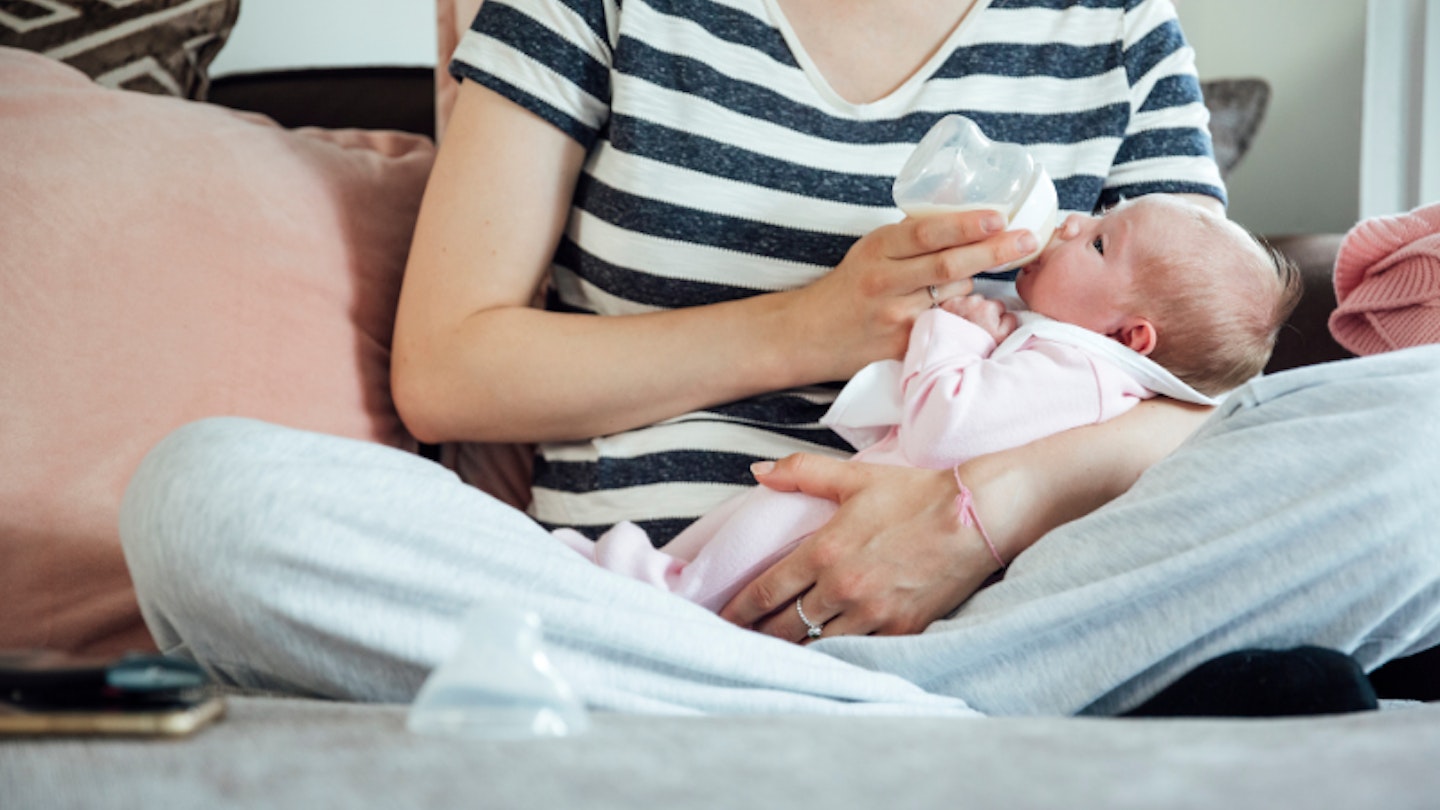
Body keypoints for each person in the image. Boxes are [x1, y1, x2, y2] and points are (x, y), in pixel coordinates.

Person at [117, 0, 1440, 715]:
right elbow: (448, 373)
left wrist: (986, 513)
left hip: (1009, 598)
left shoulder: (1118, 30)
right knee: (203, 495)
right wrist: (812, 323)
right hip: (629, 584)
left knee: (1423, 437)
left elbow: (1206, 415)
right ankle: (871, 710)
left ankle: (851, 697)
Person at [553, 196, 1305, 613]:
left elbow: (951, 427)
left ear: (1131, 335)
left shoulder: (1082, 370)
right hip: (875, 494)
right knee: (737, 534)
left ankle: (642, 593)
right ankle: (639, 575)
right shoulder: (1077, 355)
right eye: (1099, 216)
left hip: (879, 518)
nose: (1073, 223)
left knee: (749, 549)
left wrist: (950, 329)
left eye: (1102, 244)